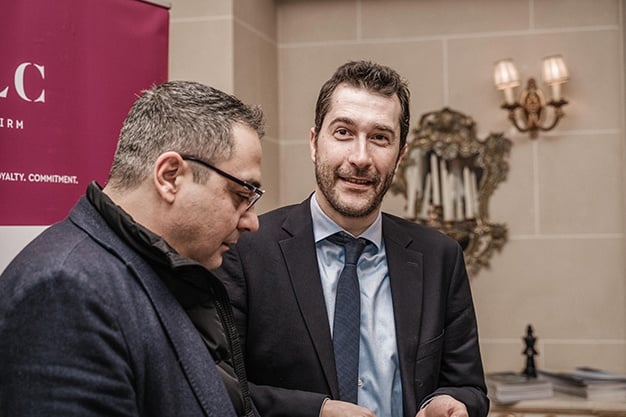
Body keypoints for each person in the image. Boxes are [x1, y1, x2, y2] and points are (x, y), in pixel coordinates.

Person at [217, 61, 489, 417]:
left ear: (400, 156)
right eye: (344, 132)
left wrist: (451, 402)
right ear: (314, 143)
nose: (361, 158)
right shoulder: (244, 248)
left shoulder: (441, 257)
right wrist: (317, 412)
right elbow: (219, 385)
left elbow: (469, 387)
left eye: (380, 138)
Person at [0, 81, 265, 417]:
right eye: (242, 195)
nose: (251, 222)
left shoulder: (161, 269)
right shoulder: (64, 291)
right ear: (170, 176)